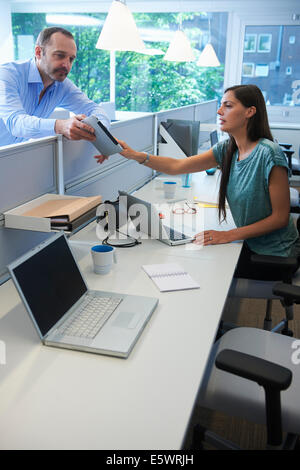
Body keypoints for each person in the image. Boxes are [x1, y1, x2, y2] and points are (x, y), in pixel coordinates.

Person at [95, 84, 300, 281]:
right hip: (251, 243)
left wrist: (228, 235)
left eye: (228, 106)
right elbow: (178, 166)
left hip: (275, 255)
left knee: (199, 265)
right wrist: (134, 155)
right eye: (221, 105)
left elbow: (280, 218)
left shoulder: (269, 154)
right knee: (189, 255)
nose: (220, 111)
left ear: (250, 112)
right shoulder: (228, 148)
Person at [0, 27, 110, 146]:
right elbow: (15, 123)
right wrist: (60, 126)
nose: (66, 65)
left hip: (12, 156)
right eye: (59, 55)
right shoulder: (7, 74)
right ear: (38, 52)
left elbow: (93, 108)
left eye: (71, 59)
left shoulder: (62, 85)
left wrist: (100, 132)